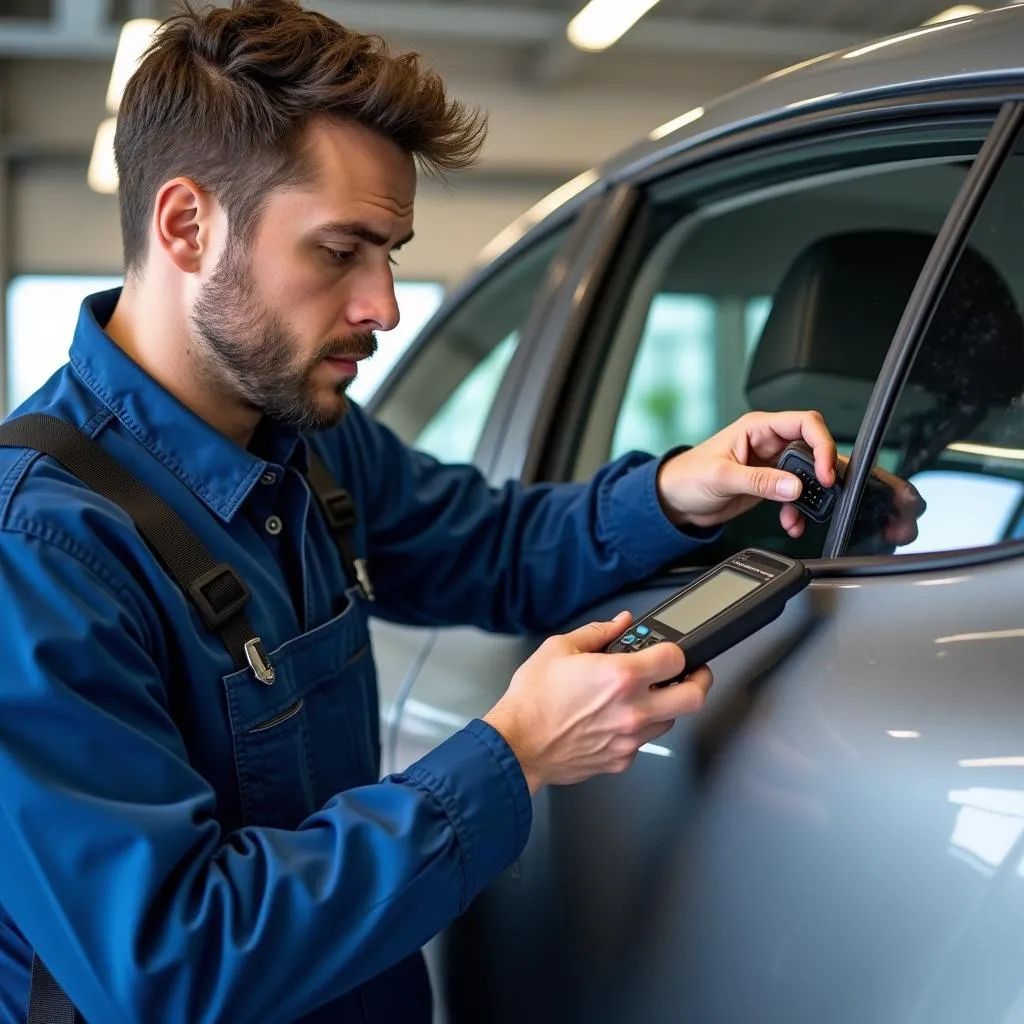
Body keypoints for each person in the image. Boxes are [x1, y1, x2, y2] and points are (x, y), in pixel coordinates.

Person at [0, 3, 915, 1022]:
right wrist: (515, 751)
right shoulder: (40, 548)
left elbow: (492, 545)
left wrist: (675, 491)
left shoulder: (311, 440)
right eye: (340, 250)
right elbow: (169, 963)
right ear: (186, 225)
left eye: (389, 251)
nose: (384, 305)